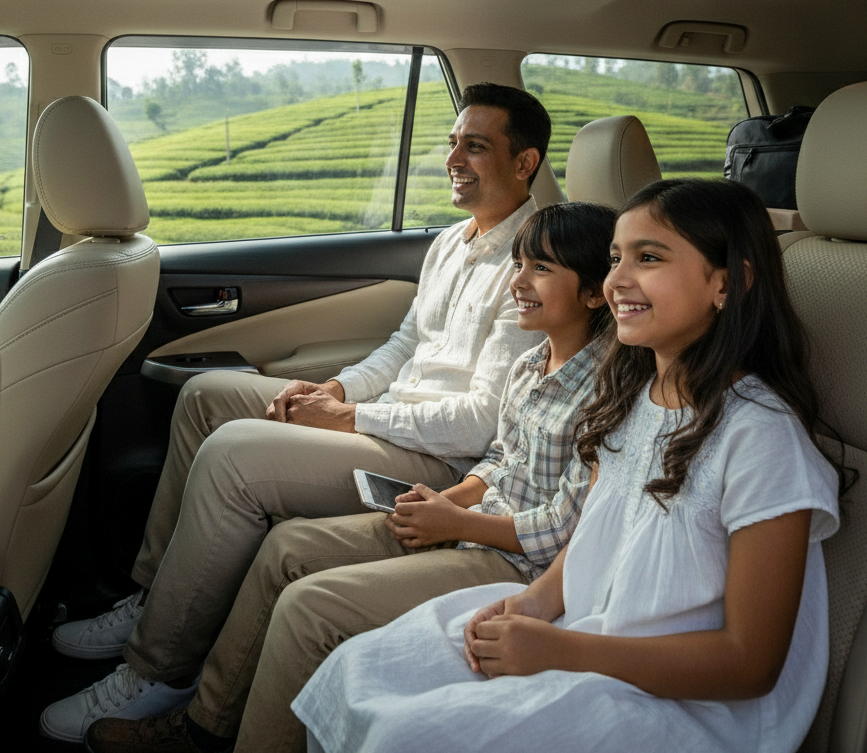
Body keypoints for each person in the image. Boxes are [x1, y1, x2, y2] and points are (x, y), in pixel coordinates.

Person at [40, 83, 550, 742]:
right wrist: (337, 391)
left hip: (438, 453)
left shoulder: (539, 263)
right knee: (207, 398)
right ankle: (159, 601)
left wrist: (352, 421)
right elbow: (403, 347)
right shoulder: (453, 241)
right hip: (391, 417)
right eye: (453, 141)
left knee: (234, 455)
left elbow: (480, 421)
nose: (454, 156)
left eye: (475, 146)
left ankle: (158, 668)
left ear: (524, 163)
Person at [292, 177, 848, 753]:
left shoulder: (761, 438)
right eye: (614, 259)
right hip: (585, 632)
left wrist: (564, 651)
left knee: (409, 735)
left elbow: (748, 665)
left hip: (679, 704)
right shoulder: (633, 398)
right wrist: (533, 603)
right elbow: (592, 536)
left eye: (649, 258)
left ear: (728, 284)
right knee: (363, 666)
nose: (617, 281)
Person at [82, 201, 617, 753]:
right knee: (285, 544)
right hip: (470, 513)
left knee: (304, 604)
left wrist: (456, 520)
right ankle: (205, 722)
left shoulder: (605, 392)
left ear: (596, 292)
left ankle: (211, 719)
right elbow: (503, 455)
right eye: (519, 264)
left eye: (541, 269)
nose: (518, 280)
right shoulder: (532, 365)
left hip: (513, 556)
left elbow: (564, 527)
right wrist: (444, 502)